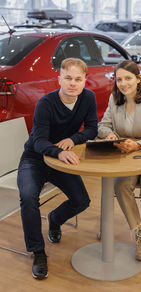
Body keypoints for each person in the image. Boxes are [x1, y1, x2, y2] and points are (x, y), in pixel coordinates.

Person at [17, 58, 98, 280]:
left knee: (82, 201)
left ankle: (55, 218)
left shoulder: (88, 98)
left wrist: (73, 138)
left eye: (78, 79)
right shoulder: (45, 103)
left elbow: (92, 129)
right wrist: (59, 151)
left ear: (84, 81)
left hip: (61, 160)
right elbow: (39, 141)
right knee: (28, 198)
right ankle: (38, 252)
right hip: (35, 158)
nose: (73, 83)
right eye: (68, 78)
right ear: (59, 79)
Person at [98, 60, 141, 261]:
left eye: (128, 78)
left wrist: (138, 145)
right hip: (126, 160)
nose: (123, 83)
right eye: (119, 79)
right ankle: (139, 235)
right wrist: (109, 134)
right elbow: (102, 126)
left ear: (138, 79)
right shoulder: (114, 99)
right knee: (120, 187)